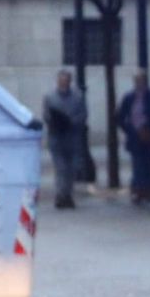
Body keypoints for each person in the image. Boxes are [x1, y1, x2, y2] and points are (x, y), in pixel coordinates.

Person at [117, 70, 150, 205]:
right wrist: (129, 129)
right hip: (134, 135)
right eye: (137, 81)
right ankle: (139, 189)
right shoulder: (129, 97)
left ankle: (146, 189)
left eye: (141, 80)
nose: (139, 83)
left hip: (148, 133)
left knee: (147, 161)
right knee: (137, 162)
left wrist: (149, 121)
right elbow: (120, 116)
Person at [42, 69, 87, 209]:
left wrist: (72, 122)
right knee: (61, 168)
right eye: (61, 80)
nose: (63, 83)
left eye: (66, 80)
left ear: (69, 81)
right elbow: (46, 116)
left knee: (72, 169)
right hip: (56, 137)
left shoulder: (78, 97)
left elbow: (83, 114)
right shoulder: (50, 97)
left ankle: (67, 194)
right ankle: (62, 195)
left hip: (72, 137)